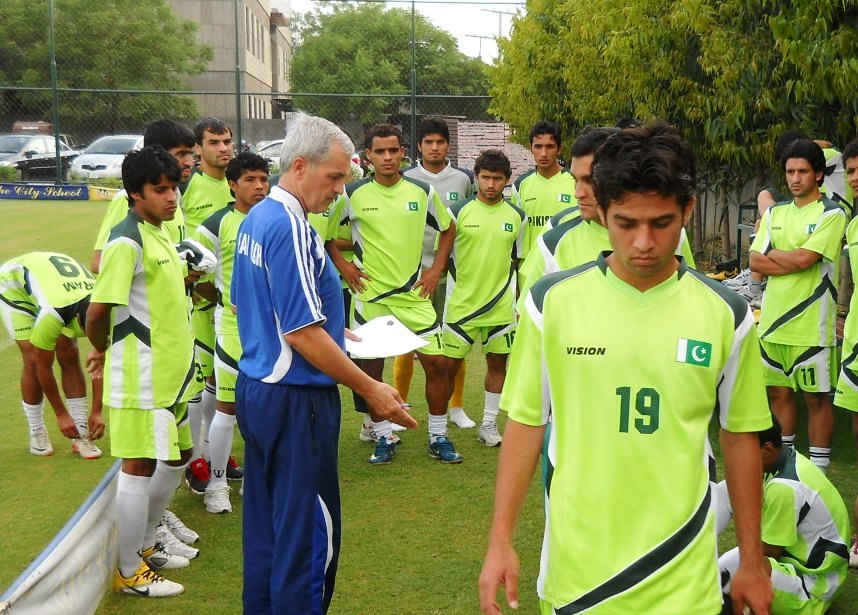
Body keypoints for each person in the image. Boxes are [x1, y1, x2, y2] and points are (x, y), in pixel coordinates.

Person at [479, 122, 773, 615]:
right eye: (625, 222)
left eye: (660, 223)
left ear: (687, 210)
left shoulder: (727, 313)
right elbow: (527, 422)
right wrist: (500, 540)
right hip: (581, 566)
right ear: (602, 210)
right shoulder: (550, 303)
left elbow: (739, 436)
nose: (642, 242)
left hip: (681, 566)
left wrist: (752, 558)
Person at [231, 114, 417, 615]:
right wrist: (371, 390)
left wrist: (338, 332)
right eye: (334, 177)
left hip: (259, 388)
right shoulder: (289, 224)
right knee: (308, 537)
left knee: (269, 526)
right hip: (295, 399)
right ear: (298, 166)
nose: (340, 189)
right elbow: (299, 332)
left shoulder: (258, 217)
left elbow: (256, 305)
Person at [86, 146, 199, 598]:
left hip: (174, 373)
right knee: (137, 468)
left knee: (177, 458)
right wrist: (103, 349)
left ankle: (148, 545)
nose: (171, 196)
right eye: (160, 190)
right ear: (135, 194)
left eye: (174, 187)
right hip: (142, 376)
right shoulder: (125, 240)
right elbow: (97, 313)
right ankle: (130, 572)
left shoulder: (161, 233)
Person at [326, 123, 458, 465]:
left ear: (403, 153)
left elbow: (448, 229)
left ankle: (438, 435)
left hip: (414, 297)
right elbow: (325, 236)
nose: (387, 157)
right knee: (370, 371)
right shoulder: (351, 195)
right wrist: (345, 266)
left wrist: (435, 270)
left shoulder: (421, 191)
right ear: (367, 156)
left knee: (438, 365)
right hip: (370, 298)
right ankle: (383, 434)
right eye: (380, 151)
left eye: (393, 150)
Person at [750, 138, 847, 473]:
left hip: (812, 324)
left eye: (803, 171)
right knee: (778, 394)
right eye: (790, 171)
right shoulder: (775, 212)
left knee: (816, 399)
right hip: (773, 324)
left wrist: (775, 255)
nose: (795, 178)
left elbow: (808, 258)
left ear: (818, 174)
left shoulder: (833, 213)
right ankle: (785, 466)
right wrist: (790, 260)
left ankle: (818, 471)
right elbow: (755, 262)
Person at [517, 126, 696, 304]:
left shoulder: (670, 234)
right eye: (575, 180)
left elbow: (690, 296)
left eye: (590, 180)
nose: (578, 193)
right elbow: (530, 312)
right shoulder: (554, 240)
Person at [194, 152, 269, 514]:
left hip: (271, 330)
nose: (259, 186)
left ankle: (256, 478)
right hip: (233, 329)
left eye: (263, 179)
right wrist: (225, 299)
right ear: (232, 184)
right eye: (250, 180)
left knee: (266, 407)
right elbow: (193, 277)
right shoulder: (215, 224)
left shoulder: (276, 218)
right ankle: (217, 484)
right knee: (228, 407)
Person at [716, 418, 849, 615]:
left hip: (813, 590)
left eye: (742, 451)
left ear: (767, 449)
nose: (736, 458)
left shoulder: (784, 488)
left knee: (737, 560)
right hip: (807, 570)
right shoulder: (788, 459)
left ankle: (707, 594)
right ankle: (696, 557)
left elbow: (767, 553)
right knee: (729, 488)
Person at [441, 149, 524, 449]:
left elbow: (519, 261)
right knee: (447, 368)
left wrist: (518, 301)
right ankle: (439, 429)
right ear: (475, 177)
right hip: (461, 306)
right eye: (485, 178)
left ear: (506, 181)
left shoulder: (517, 216)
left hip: (501, 307)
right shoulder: (457, 212)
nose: (491, 184)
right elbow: (443, 255)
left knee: (498, 364)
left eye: (497, 179)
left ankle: (488, 424)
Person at [398, 117, 476, 431]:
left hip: (451, 273)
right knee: (406, 340)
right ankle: (400, 404)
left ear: (447, 145)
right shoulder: (406, 178)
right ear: (419, 146)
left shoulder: (463, 179)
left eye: (440, 142)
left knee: (452, 339)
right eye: (428, 142)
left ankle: (455, 406)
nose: (434, 147)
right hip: (413, 276)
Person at [182, 117, 241, 495]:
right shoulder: (187, 189)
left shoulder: (239, 186)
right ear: (197, 149)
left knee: (219, 384)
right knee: (206, 382)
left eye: (227, 141)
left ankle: (212, 455)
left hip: (227, 303)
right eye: (214, 142)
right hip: (199, 301)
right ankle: (193, 463)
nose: (223, 147)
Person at [0, 252, 103, 458]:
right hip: (14, 288)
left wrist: (97, 410)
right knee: (31, 358)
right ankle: (37, 431)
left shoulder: (106, 308)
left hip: (58, 289)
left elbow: (101, 362)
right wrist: (61, 414)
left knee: (69, 353)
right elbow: (42, 366)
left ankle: (81, 434)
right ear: (77, 319)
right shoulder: (53, 313)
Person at [90, 119, 196, 274]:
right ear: (158, 154)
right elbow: (99, 262)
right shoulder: (127, 199)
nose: (189, 162)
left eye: (190, 153)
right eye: (181, 154)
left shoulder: (174, 197)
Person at [833, 137, 858, 566]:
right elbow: (848, 281)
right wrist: (840, 316)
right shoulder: (853, 225)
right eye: (851, 171)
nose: (855, 178)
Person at [511, 121, 576, 260]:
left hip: (565, 265)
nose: (543, 153)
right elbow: (516, 232)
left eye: (550, 147)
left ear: (560, 149)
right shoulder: (520, 185)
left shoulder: (575, 181)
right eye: (538, 146)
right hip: (529, 268)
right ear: (531, 148)